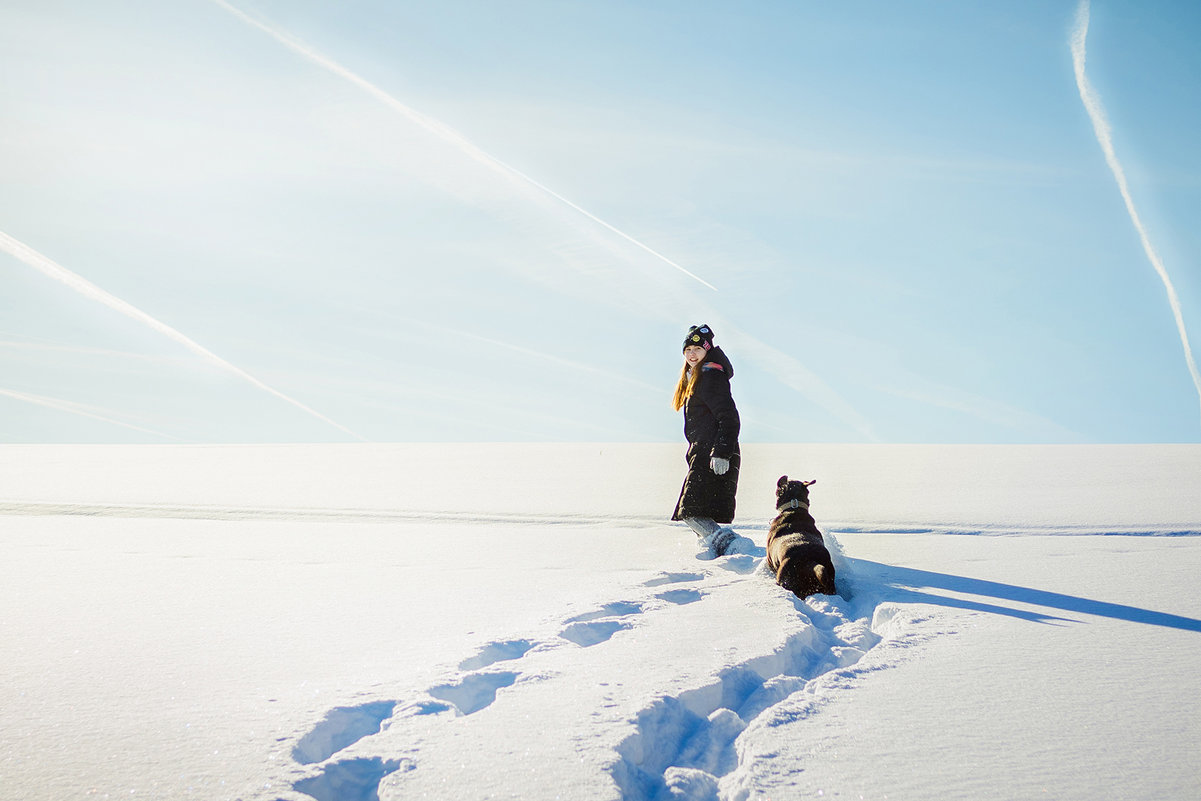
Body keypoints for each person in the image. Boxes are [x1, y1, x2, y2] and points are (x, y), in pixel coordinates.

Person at [671, 324, 742, 555]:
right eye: (688, 349)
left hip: (713, 455)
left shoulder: (711, 376)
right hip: (704, 454)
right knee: (698, 510)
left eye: (697, 349)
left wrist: (722, 452)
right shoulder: (698, 376)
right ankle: (719, 552)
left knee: (691, 511)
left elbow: (729, 417)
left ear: (707, 350)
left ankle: (734, 549)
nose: (692, 354)